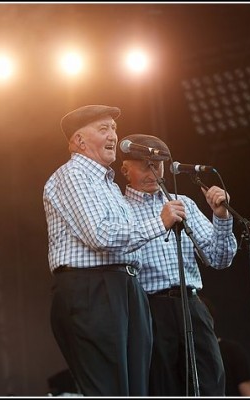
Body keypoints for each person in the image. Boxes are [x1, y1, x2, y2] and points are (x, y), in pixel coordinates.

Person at [42, 105, 186, 396]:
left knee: (135, 389)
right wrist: (159, 222)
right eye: (103, 129)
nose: (113, 136)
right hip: (92, 288)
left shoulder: (108, 184)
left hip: (124, 286)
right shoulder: (73, 175)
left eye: (114, 128)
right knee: (109, 388)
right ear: (79, 141)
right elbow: (100, 235)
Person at [119, 133, 238, 396]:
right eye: (144, 165)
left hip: (191, 303)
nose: (153, 171)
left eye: (158, 164)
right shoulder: (120, 208)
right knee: (163, 386)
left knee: (210, 382)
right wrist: (159, 222)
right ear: (125, 169)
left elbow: (220, 259)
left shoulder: (185, 204)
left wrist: (221, 217)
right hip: (150, 308)